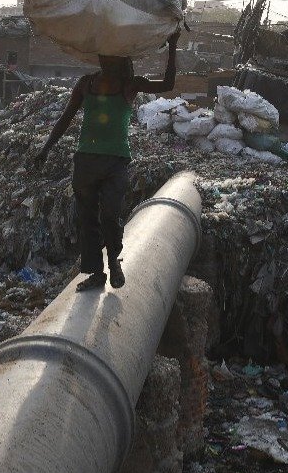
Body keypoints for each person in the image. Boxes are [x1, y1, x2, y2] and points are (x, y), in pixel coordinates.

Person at [35, 29, 181, 292]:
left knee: (111, 215)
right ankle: (96, 273)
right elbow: (66, 117)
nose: (109, 62)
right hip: (86, 162)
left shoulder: (131, 85)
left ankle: (114, 261)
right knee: (87, 219)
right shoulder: (86, 83)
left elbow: (168, 85)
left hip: (116, 162)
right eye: (106, 57)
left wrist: (173, 46)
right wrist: (46, 148)